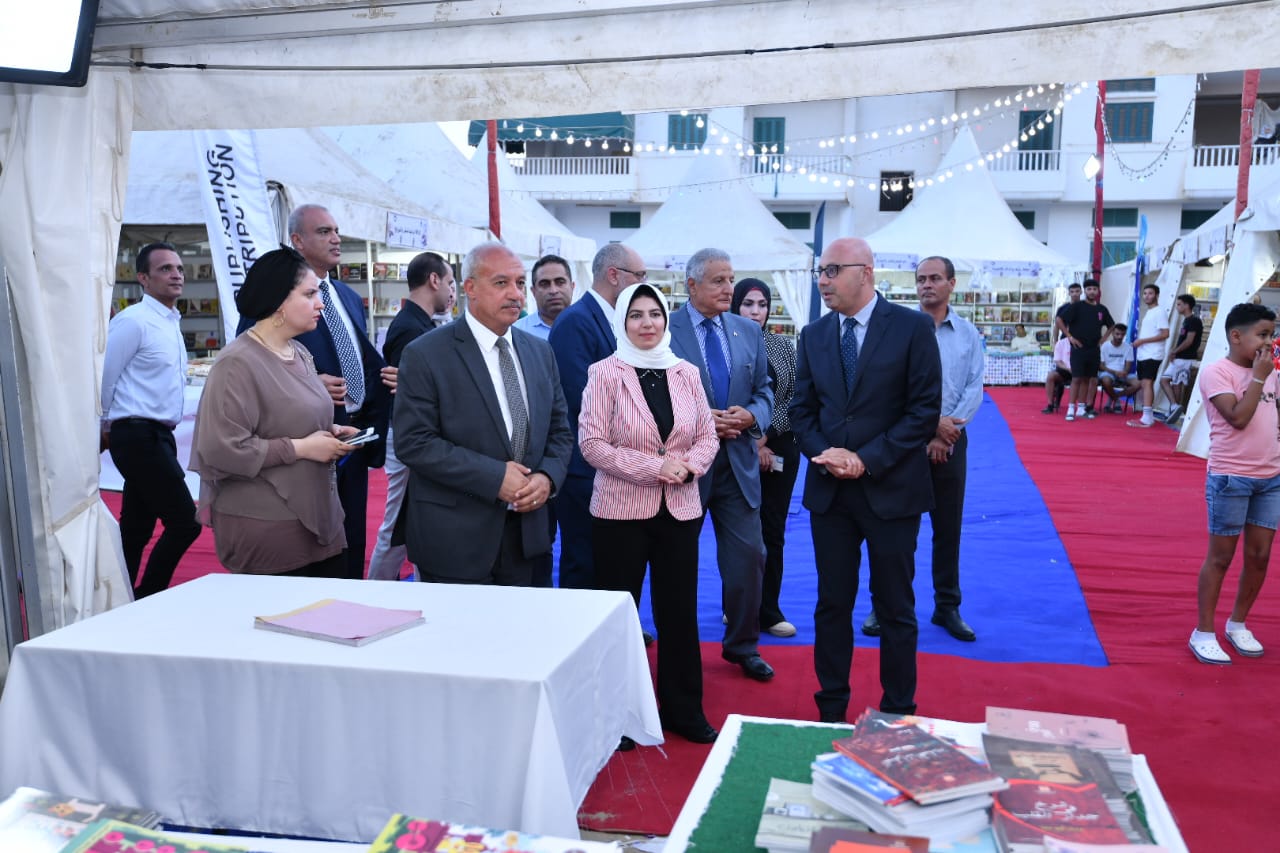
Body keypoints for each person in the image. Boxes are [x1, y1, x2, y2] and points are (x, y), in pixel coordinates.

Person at [790, 237, 941, 721]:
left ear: (866, 272)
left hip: (892, 491)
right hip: (830, 493)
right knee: (832, 604)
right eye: (821, 271)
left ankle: (897, 712)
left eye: (833, 270)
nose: (823, 280)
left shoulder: (913, 328)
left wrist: (866, 459)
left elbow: (923, 412)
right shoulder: (813, 335)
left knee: (895, 606)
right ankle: (831, 707)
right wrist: (827, 453)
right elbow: (801, 412)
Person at [579, 282, 720, 743]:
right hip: (619, 513)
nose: (647, 323)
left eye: (655, 314)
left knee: (679, 612)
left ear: (666, 319)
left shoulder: (686, 372)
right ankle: (615, 717)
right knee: (619, 617)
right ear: (621, 321)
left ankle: (683, 710)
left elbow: (707, 436)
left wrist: (690, 467)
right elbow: (592, 444)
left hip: (679, 509)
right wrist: (656, 467)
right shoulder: (604, 372)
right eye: (636, 315)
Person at [393, 241, 573, 586]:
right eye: (501, 283)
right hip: (455, 542)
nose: (516, 294)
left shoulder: (540, 352)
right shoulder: (425, 353)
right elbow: (414, 442)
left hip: (529, 537)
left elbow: (560, 431)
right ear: (470, 288)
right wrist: (494, 477)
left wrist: (547, 478)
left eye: (520, 283)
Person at [189, 247, 361, 576]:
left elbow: (290, 419)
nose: (320, 304)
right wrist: (302, 448)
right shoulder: (236, 363)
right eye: (309, 294)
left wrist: (332, 434)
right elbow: (220, 450)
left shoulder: (299, 352)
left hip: (320, 518)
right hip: (269, 528)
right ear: (279, 301)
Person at [254, 204, 392, 579]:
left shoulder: (346, 296)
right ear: (297, 240)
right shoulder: (274, 296)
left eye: (336, 231)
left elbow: (359, 356)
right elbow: (253, 361)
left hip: (354, 437)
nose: (336, 239)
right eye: (324, 231)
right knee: (312, 554)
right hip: (306, 445)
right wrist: (307, 384)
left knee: (351, 544)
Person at [861, 256, 982, 643]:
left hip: (952, 442)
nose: (926, 285)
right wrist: (931, 427)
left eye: (934, 278)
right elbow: (890, 390)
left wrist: (947, 433)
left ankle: (947, 606)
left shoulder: (968, 334)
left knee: (948, 529)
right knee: (896, 531)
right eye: (921, 279)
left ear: (952, 283)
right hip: (905, 442)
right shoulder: (897, 330)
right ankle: (887, 605)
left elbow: (974, 388)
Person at [669, 248, 775, 682]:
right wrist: (697, 420)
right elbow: (647, 393)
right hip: (686, 469)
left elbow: (765, 390)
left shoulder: (747, 331)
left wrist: (752, 415)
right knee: (678, 563)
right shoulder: (664, 328)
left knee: (749, 558)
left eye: (731, 279)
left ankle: (743, 645)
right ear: (692, 285)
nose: (729, 288)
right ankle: (680, 649)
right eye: (718, 280)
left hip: (737, 466)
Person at [101, 241, 201, 597]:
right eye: (165, 269)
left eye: (179, 268)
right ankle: (148, 595)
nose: (176, 275)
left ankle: (120, 598)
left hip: (157, 435)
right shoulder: (133, 322)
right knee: (186, 523)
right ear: (142, 278)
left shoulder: (169, 322)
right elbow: (105, 377)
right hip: (136, 435)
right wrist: (104, 425)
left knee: (136, 529)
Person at [548, 243, 647, 589]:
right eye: (640, 276)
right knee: (585, 562)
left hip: (614, 467)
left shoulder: (615, 320)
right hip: (585, 471)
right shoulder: (575, 322)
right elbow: (581, 397)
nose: (644, 285)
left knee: (614, 561)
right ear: (614, 275)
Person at [1188, 302, 1280, 665]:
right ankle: (1203, 632)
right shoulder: (1217, 372)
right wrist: (1258, 377)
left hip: (1270, 477)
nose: (1269, 342)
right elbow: (1238, 418)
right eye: (1262, 334)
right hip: (1231, 477)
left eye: (1272, 334)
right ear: (1236, 336)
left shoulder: (1270, 372)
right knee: (1221, 558)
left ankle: (1238, 623)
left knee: (1259, 556)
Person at [367, 252, 454, 581]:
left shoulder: (418, 323)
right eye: (449, 282)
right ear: (434, 280)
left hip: (416, 436)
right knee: (397, 526)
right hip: (409, 437)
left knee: (415, 523)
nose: (451, 291)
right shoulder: (410, 328)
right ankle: (376, 588)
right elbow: (412, 391)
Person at [731, 278, 798, 639]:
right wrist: (752, 443)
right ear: (735, 306)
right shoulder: (724, 346)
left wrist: (764, 438)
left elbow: (794, 399)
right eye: (748, 304)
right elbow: (722, 399)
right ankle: (737, 607)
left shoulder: (783, 346)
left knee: (772, 530)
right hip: (734, 448)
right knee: (739, 533)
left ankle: (769, 610)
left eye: (762, 305)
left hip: (780, 448)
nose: (756, 312)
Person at [1058, 279, 1113, 422]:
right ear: (1085, 291)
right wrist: (1069, 337)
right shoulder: (1077, 306)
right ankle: (1071, 408)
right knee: (1076, 378)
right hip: (1078, 348)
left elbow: (1111, 325)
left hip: (1094, 349)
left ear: (1098, 291)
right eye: (1089, 289)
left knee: (1087, 379)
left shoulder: (1102, 309)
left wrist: (1103, 339)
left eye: (1094, 289)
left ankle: (1081, 408)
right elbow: (1059, 320)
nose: (1092, 292)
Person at [1128, 283, 1170, 428]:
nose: (1147, 296)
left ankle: (1146, 417)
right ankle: (1148, 415)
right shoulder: (1150, 312)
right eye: (1145, 293)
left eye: (1150, 293)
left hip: (1153, 353)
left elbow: (1165, 333)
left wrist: (1143, 341)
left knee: (1147, 383)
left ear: (1157, 295)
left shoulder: (1159, 312)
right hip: (1144, 353)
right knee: (1144, 383)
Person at [1160, 294, 1204, 424]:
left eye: (1179, 304)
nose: (1177, 307)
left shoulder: (1194, 321)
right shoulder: (1186, 321)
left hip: (1185, 357)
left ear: (1187, 305)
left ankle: (1175, 409)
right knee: (1165, 380)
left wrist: (1175, 351)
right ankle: (1174, 406)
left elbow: (1189, 341)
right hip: (1180, 357)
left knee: (1177, 383)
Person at [514, 253, 574, 339]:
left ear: (572, 286)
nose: (553, 290)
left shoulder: (589, 327)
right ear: (533, 291)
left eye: (560, 282)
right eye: (544, 284)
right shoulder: (516, 332)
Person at [1098, 323, 1140, 412]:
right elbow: (1101, 366)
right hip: (1108, 372)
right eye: (1117, 334)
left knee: (1139, 383)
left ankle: (1113, 397)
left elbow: (1128, 366)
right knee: (1105, 381)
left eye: (1122, 334)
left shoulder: (1128, 347)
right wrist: (1114, 372)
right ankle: (1116, 401)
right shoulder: (1105, 346)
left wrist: (1125, 372)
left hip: (1123, 373)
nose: (1120, 336)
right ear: (1112, 333)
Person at [1041, 334, 1072, 414]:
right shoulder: (1061, 343)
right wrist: (1068, 368)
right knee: (1051, 376)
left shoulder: (1082, 342)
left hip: (1079, 371)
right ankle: (1050, 405)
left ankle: (1083, 406)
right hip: (1064, 370)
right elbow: (1058, 361)